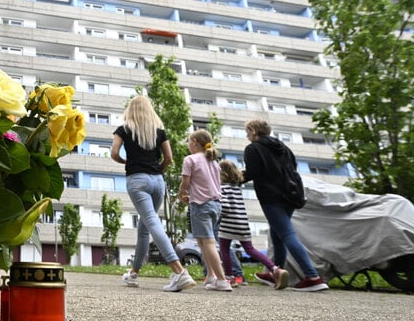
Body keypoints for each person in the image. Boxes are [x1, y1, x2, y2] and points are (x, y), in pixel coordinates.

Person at [112, 96, 196, 292]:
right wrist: (158, 170)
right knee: (145, 227)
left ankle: (179, 271)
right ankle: (133, 273)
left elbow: (114, 153)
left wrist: (127, 162)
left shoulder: (123, 129)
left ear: (130, 110)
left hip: (137, 180)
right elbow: (169, 158)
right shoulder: (158, 131)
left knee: (152, 222)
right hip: (158, 181)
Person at [242, 119, 329, 292]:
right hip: (291, 195)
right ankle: (277, 271)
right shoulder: (283, 147)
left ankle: (312, 276)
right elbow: (293, 168)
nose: (246, 135)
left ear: (254, 131)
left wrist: (232, 178)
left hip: (271, 197)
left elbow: (252, 173)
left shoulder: (253, 148)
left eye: (247, 131)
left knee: (287, 234)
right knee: (277, 234)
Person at [218, 159, 287, 288]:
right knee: (250, 249)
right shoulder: (237, 187)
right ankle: (275, 269)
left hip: (228, 224)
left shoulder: (222, 188)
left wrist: (217, 210)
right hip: (242, 223)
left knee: (224, 250)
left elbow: (225, 207)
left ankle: (229, 277)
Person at [178, 130, 231, 291]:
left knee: (207, 243)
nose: (188, 145)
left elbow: (186, 182)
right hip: (215, 205)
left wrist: (181, 193)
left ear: (194, 142)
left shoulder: (190, 160)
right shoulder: (213, 162)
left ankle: (222, 280)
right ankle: (211, 276)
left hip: (201, 205)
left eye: (189, 142)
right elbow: (207, 183)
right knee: (202, 241)